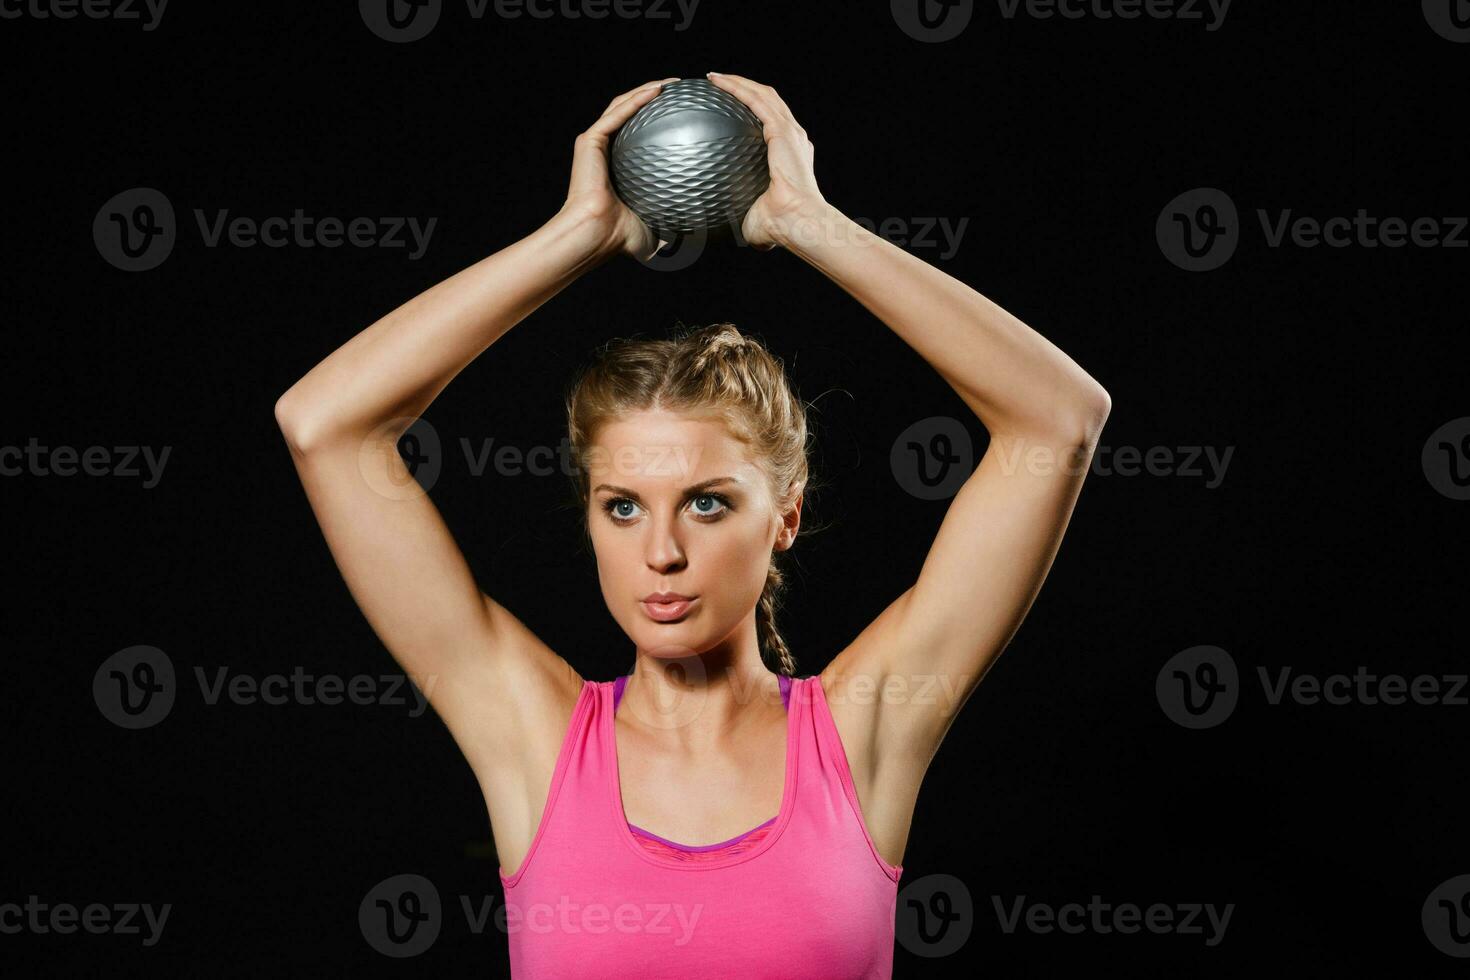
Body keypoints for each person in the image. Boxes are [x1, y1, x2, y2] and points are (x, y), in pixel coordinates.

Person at [275, 72, 1111, 979]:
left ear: (784, 516)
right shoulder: (529, 733)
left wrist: (811, 223)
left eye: (708, 503)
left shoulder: (866, 731)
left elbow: (1059, 418)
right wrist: (575, 239)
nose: (661, 553)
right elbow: (324, 426)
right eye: (622, 506)